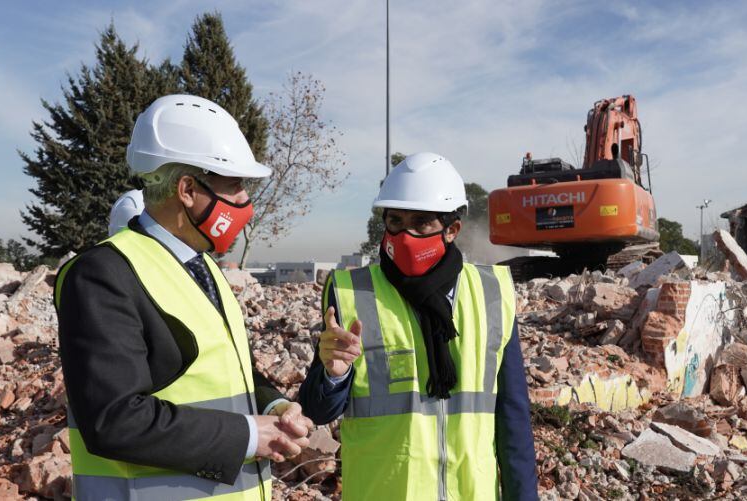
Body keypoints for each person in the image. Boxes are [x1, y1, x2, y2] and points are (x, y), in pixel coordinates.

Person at [56, 94, 313, 501]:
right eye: (236, 186)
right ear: (188, 189)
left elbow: (222, 369)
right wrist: (247, 436)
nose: (246, 203)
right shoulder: (103, 274)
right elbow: (113, 419)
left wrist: (274, 406)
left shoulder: (203, 266)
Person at [297, 152, 538, 500]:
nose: (405, 234)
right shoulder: (352, 293)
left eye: (422, 222)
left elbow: (512, 417)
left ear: (452, 229)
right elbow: (317, 410)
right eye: (395, 221)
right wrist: (334, 375)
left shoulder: (491, 293)